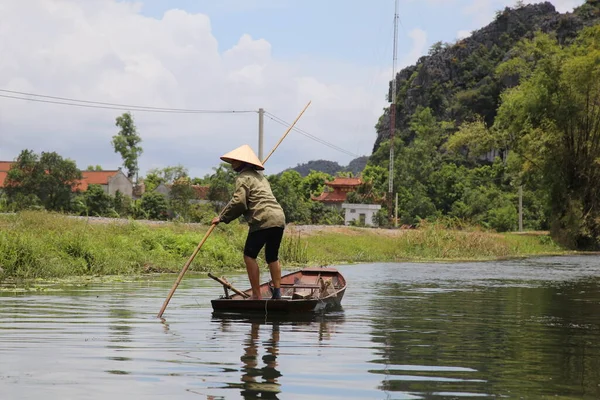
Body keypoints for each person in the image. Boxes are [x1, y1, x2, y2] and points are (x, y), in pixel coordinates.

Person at [211, 144, 286, 300]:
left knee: (249, 255)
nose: (232, 164)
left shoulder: (242, 177)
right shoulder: (261, 177)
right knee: (272, 256)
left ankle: (257, 295)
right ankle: (277, 293)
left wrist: (222, 218)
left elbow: (239, 202)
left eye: (234, 161)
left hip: (262, 218)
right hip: (278, 218)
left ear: (243, 163)